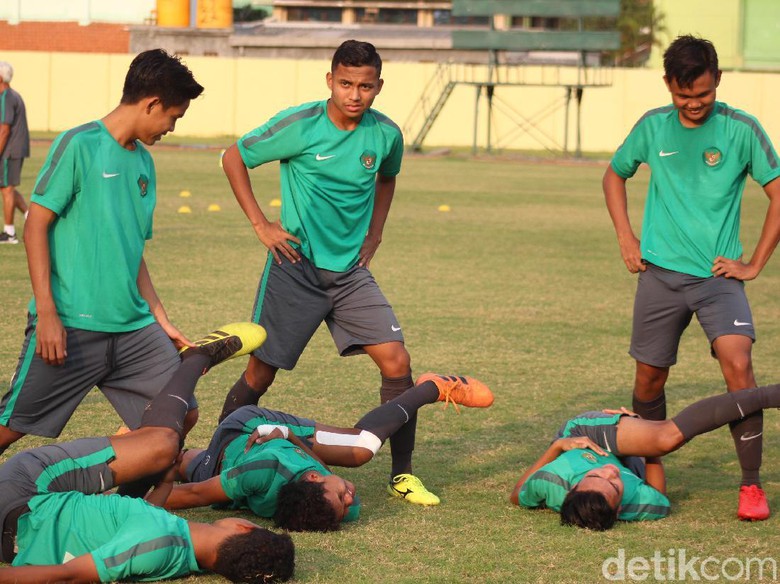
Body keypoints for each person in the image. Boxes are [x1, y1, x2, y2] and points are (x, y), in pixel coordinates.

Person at [220, 39, 430, 504]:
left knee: (398, 362)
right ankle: (220, 457)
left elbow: (387, 177)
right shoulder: (301, 124)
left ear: (379, 86)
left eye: (366, 86)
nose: (355, 95)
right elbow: (233, 156)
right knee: (261, 371)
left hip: (351, 275)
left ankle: (402, 474)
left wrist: (375, 234)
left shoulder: (386, 134)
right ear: (330, 80)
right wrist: (262, 224)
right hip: (294, 267)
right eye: (346, 84)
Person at [602, 34, 780, 521]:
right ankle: (648, 476)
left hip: (718, 279)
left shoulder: (742, 129)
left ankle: (750, 487)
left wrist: (755, 263)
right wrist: (626, 237)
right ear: (668, 86)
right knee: (649, 377)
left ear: (717, 80)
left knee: (738, 363)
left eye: (702, 94)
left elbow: (779, 193)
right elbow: (614, 174)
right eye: (683, 96)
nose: (693, 104)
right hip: (659, 275)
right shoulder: (653, 127)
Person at [0, 49, 205, 456]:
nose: (172, 127)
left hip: (133, 329)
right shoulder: (80, 144)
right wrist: (48, 314)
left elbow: (133, 250)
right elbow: (35, 224)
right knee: (12, 426)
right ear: (152, 104)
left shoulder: (145, 163)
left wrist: (161, 318)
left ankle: (124, 499)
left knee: (179, 413)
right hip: (71, 325)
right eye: (173, 117)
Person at [0, 323, 294, 583]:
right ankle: (169, 393)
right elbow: (141, 524)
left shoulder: (159, 545)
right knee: (172, 438)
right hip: (21, 521)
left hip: (25, 494)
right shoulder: (183, 556)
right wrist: (165, 483)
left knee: (162, 444)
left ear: (243, 528)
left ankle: (194, 361)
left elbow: (69, 575)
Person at [165, 373, 494, 531]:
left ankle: (431, 387)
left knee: (362, 448)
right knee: (363, 447)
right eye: (345, 503)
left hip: (248, 431)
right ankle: (431, 387)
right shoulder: (331, 510)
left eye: (341, 498)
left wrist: (130, 504)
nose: (351, 498)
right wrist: (293, 439)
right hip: (258, 441)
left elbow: (193, 495)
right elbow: (323, 479)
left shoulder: (263, 470)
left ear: (312, 478)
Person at [510, 382, 780, 530]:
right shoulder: (639, 505)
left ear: (574, 487)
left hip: (583, 435)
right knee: (656, 432)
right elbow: (660, 497)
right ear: (619, 510)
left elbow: (517, 494)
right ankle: (642, 427)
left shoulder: (552, 482)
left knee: (665, 438)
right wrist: (647, 450)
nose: (610, 472)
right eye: (615, 485)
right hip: (632, 460)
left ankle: (771, 394)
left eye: (596, 475)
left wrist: (559, 445)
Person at [0, 61, 29, 244]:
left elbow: (4, 129)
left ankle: (9, 233)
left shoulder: (5, 97)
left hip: (10, 150)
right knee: (8, 187)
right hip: (15, 148)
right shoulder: (13, 95)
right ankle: (29, 215)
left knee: (7, 189)